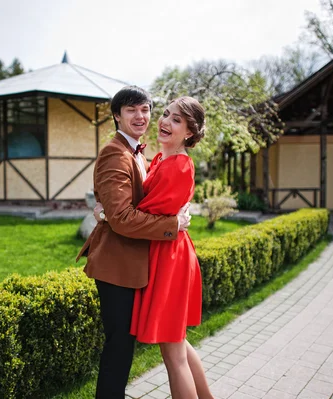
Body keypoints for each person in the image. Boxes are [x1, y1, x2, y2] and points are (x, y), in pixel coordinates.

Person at [76, 86, 191, 399]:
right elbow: (123, 218)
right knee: (119, 347)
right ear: (117, 116)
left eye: (145, 109)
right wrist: (173, 224)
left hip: (132, 263)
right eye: (131, 110)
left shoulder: (137, 152)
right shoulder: (115, 153)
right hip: (116, 265)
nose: (140, 116)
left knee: (124, 346)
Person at [95, 97, 214, 399]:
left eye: (176, 120)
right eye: (165, 114)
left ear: (189, 132)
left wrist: (109, 212)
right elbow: (132, 209)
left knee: (173, 353)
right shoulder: (160, 159)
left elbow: (136, 212)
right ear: (117, 116)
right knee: (178, 344)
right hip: (164, 251)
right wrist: (106, 209)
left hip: (169, 256)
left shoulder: (178, 165)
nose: (164, 121)